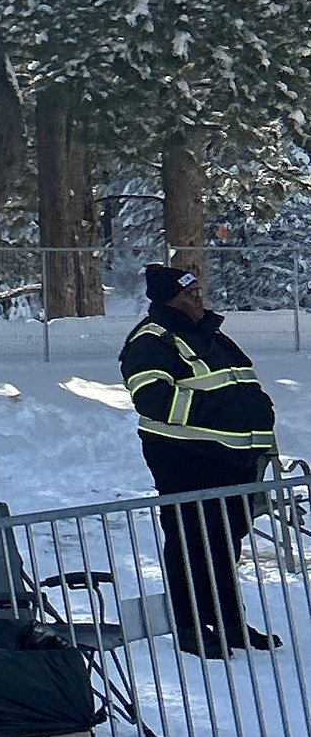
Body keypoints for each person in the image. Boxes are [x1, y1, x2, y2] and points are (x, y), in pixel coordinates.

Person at [120, 263, 280, 658]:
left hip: (233, 459)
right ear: (169, 299)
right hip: (188, 459)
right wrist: (226, 413)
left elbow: (242, 384)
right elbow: (155, 400)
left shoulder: (210, 334)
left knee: (225, 544)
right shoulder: (151, 340)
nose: (198, 299)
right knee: (191, 541)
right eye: (188, 294)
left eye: (197, 292)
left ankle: (229, 622)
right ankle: (191, 627)